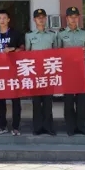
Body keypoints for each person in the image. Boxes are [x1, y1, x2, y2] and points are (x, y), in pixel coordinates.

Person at [57, 6, 85, 136]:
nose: (73, 19)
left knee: (81, 99)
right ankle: (70, 126)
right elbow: (57, 52)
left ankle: (81, 126)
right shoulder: (61, 34)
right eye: (71, 17)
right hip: (67, 70)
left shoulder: (84, 33)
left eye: (75, 17)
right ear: (67, 18)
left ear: (78, 18)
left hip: (80, 69)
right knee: (68, 99)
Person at [0, 9, 25, 136]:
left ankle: (16, 126)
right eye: (0, 18)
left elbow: (23, 49)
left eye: (4, 18)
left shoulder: (16, 33)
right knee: (0, 100)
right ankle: (2, 126)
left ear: (8, 19)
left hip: (14, 70)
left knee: (16, 100)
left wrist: (13, 49)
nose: (2, 20)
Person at [25, 8, 57, 136]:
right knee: (37, 102)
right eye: (38, 17)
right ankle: (37, 127)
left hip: (49, 72)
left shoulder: (52, 35)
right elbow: (26, 54)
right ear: (34, 20)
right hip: (35, 73)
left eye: (43, 17)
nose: (41, 19)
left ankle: (48, 127)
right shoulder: (29, 36)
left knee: (48, 102)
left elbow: (57, 53)